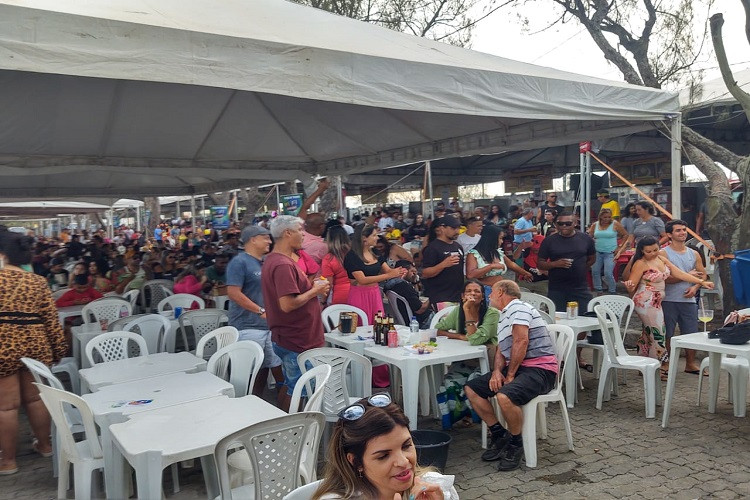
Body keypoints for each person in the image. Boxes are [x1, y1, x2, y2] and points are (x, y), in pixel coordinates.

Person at [464, 280, 558, 471]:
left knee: (504, 396)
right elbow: (501, 349)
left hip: (541, 369)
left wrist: (510, 374)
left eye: (491, 292)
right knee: (472, 389)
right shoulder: (504, 315)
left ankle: (516, 442)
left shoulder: (519, 307)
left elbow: (521, 341)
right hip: (520, 367)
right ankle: (499, 434)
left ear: (500, 292)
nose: (488, 296)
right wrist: (498, 371)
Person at [0, 230, 66, 474]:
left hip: (3, 345)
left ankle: (8, 462)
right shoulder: (37, 281)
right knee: (35, 399)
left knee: (6, 407)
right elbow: (51, 320)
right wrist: (58, 350)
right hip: (35, 344)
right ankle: (46, 445)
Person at [313, 394, 453, 500]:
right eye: (384, 456)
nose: (403, 461)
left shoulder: (434, 487)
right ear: (356, 461)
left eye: (406, 446)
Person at [261, 216, 330, 411]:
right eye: (300, 230)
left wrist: (312, 288)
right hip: (297, 338)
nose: (303, 234)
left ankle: (284, 422)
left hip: (292, 336)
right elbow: (287, 304)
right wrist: (314, 291)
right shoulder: (282, 264)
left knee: (292, 386)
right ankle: (294, 431)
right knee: (302, 390)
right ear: (287, 233)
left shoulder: (277, 260)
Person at [624, 236, 714, 376]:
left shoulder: (660, 259)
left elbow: (679, 273)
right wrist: (629, 286)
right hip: (646, 302)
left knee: (649, 333)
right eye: (649, 251)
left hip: (657, 301)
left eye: (655, 249)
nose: (653, 253)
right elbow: (632, 285)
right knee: (659, 332)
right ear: (642, 251)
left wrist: (701, 282)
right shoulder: (640, 263)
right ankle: (659, 364)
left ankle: (644, 363)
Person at [226, 225, 285, 397]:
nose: (269, 241)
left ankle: (265, 403)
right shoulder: (239, 262)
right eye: (265, 237)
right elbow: (233, 293)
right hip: (247, 326)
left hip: (269, 326)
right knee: (252, 371)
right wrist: (260, 311)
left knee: (270, 367)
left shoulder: (266, 261)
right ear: (253, 240)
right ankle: (249, 403)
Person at [660, 220, 705, 374]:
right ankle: (665, 364)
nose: (683, 233)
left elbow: (703, 275)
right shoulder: (663, 254)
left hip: (689, 299)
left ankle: (690, 364)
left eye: (684, 230)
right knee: (667, 333)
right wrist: (686, 277)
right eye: (678, 230)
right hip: (668, 299)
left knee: (691, 333)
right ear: (669, 235)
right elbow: (663, 279)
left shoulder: (694, 253)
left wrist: (695, 287)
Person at [344, 225, 405, 324]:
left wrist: (399, 272)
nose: (377, 238)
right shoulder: (352, 256)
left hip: (375, 293)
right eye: (374, 235)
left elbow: (388, 270)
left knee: (378, 324)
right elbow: (362, 280)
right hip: (359, 294)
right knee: (361, 324)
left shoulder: (375, 253)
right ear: (364, 238)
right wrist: (389, 275)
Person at [537, 210, 596, 312]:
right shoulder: (549, 241)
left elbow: (592, 258)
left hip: (580, 287)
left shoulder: (585, 239)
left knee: (585, 315)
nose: (564, 226)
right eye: (560, 223)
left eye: (568, 223)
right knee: (557, 318)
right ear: (556, 225)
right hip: (557, 288)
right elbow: (540, 264)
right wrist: (556, 264)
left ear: (575, 223)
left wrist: (581, 268)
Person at [466, 224, 532, 301]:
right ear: (491, 239)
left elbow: (511, 264)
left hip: (501, 290)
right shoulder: (474, 254)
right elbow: (470, 275)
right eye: (500, 238)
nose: (502, 241)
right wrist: (491, 266)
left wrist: (525, 273)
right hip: (485, 291)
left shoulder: (498, 252)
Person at [434, 280, 499, 353]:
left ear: (483, 297)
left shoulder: (492, 313)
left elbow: (476, 340)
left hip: (485, 353)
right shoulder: (458, 311)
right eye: (468, 291)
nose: (473, 293)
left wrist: (467, 309)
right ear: (463, 296)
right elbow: (437, 330)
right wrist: (459, 336)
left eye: (477, 291)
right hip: (462, 351)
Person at [420, 217, 465, 309]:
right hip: (441, 297)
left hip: (458, 296)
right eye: (453, 228)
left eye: (458, 228)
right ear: (442, 228)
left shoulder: (458, 246)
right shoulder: (432, 248)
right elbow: (425, 273)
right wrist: (443, 264)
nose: (457, 231)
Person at [588, 209, 628, 294]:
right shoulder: (595, 225)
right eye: (605, 217)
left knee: (608, 273)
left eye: (609, 217)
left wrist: (619, 247)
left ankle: (612, 290)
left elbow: (625, 235)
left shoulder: (615, 224)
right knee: (595, 271)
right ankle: (598, 289)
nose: (607, 219)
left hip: (610, 252)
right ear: (600, 217)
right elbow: (589, 236)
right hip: (597, 252)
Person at [382, 260, 433, 328]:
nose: (414, 274)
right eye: (412, 272)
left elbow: (416, 296)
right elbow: (420, 309)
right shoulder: (404, 286)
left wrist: (414, 282)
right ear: (404, 271)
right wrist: (433, 296)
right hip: (420, 322)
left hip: (403, 320)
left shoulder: (390, 285)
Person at [321, 226, 352, 305]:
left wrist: (323, 301)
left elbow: (328, 285)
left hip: (340, 296)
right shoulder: (355, 254)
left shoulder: (328, 259)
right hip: (357, 293)